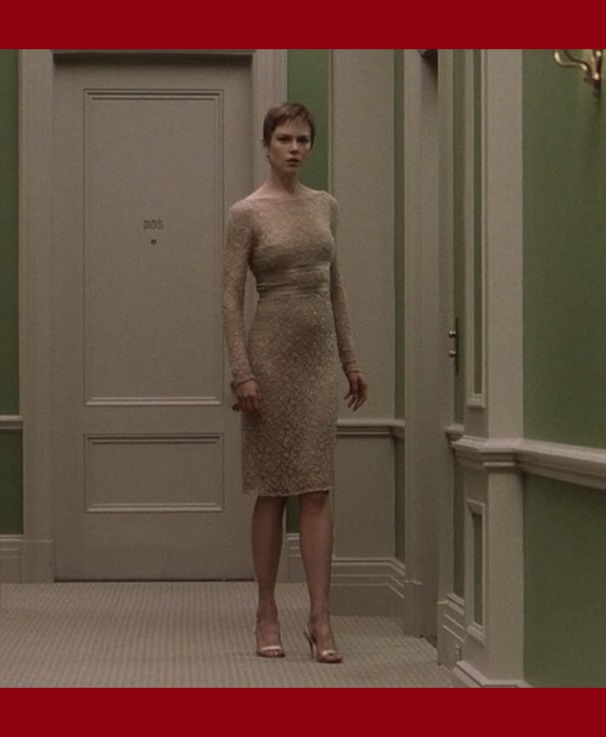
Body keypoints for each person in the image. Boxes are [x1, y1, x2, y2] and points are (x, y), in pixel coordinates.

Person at [222, 102, 368, 663]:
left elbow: (336, 289)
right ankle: (266, 611)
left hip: (318, 360)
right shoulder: (247, 213)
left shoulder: (326, 206)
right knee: (273, 488)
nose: (294, 148)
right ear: (267, 145)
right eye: (284, 139)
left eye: (303, 139)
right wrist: (242, 371)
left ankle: (319, 618)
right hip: (270, 358)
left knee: (317, 487)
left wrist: (350, 360)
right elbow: (230, 299)